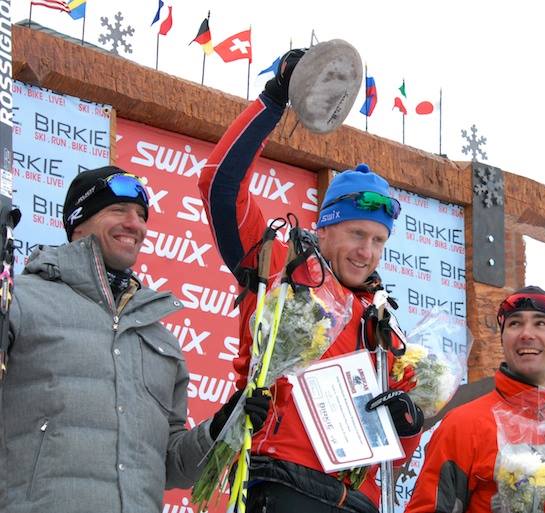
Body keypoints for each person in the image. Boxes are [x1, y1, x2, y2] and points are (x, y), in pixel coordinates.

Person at [198, 50, 424, 513]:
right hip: (285, 487)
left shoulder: (385, 324)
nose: (367, 251)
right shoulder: (283, 267)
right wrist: (274, 99)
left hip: (359, 501)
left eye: (379, 241)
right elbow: (219, 185)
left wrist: (409, 421)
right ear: (324, 228)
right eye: (357, 234)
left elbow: (401, 448)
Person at [0, 166, 269, 513]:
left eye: (142, 215)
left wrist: (222, 428)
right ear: (78, 222)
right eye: (118, 210)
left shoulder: (159, 338)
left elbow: (171, 465)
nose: (135, 224)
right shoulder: (20, 300)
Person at [404, 286, 545, 513]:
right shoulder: (463, 426)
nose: (526, 334)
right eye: (515, 324)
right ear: (502, 340)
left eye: (540, 323)